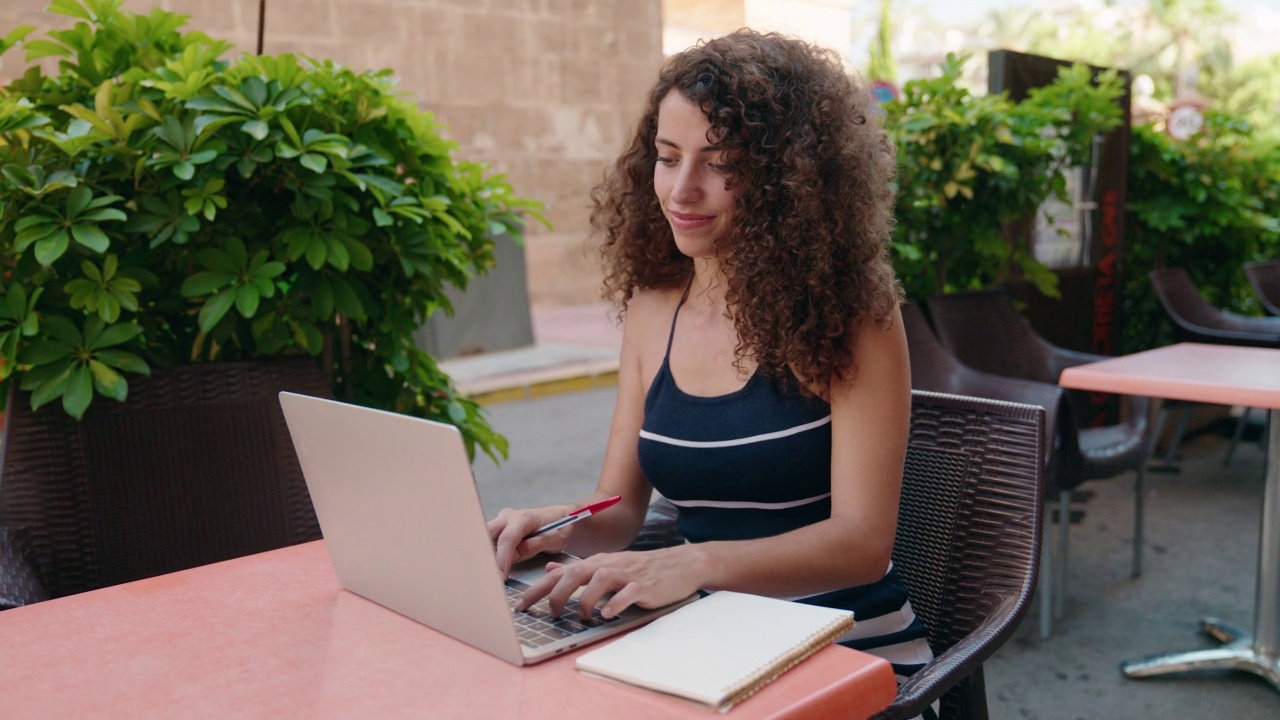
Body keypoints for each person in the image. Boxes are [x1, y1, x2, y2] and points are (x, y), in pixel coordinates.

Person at [487, 28, 932, 682]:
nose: (681, 191)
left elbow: (863, 546)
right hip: (705, 645)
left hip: (846, 653)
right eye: (668, 158)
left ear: (788, 178)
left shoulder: (853, 315)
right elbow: (616, 510)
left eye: (720, 163)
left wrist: (693, 564)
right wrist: (549, 526)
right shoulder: (652, 308)